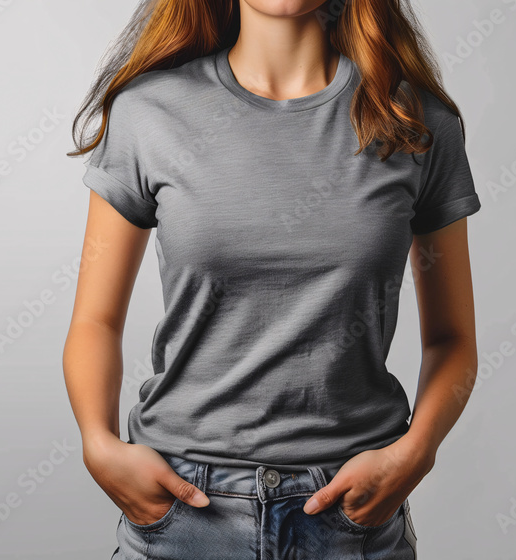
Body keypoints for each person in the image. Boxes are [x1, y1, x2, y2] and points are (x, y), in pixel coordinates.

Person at [62, 1, 481, 558]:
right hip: (184, 511)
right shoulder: (148, 112)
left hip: (349, 515)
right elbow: (95, 319)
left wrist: (416, 451)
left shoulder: (415, 121)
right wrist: (98, 443)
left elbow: (453, 338)